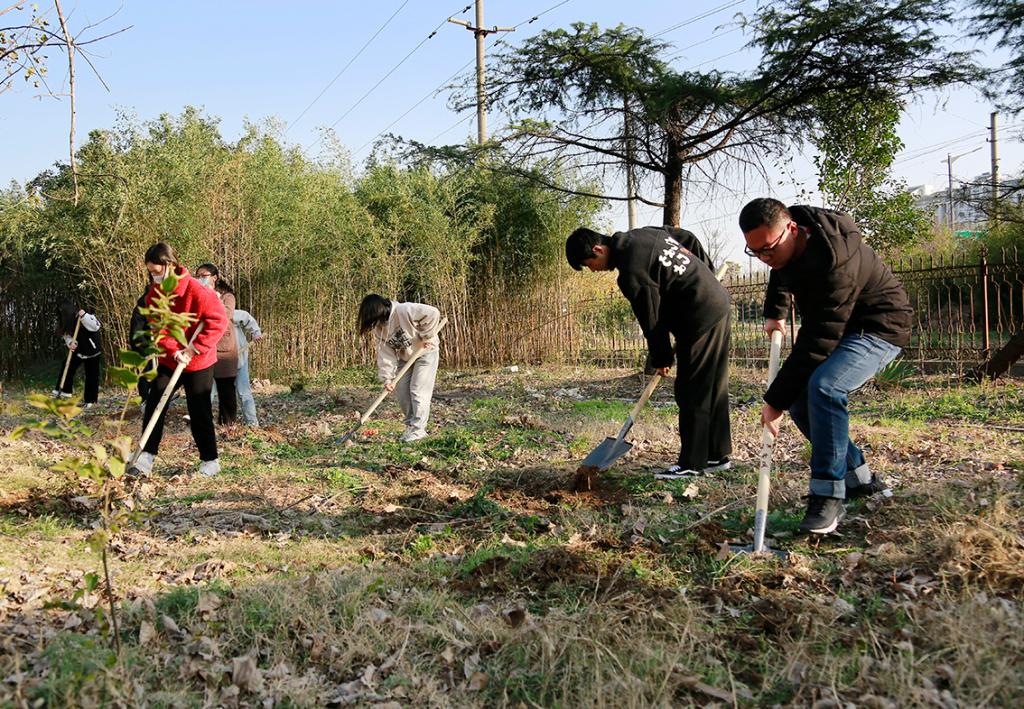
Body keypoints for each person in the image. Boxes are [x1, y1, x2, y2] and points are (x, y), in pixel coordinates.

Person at [739, 198, 912, 534]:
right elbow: (779, 269)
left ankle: (828, 496)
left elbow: (818, 340)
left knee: (826, 387)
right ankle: (858, 479)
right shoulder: (786, 244)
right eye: (754, 252)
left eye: (767, 249)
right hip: (841, 328)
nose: (763, 258)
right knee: (801, 402)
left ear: (792, 229)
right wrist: (775, 312)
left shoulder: (836, 263)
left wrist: (774, 402)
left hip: (880, 327)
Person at [565, 225, 732, 478]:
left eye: (590, 264)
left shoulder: (631, 271)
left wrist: (661, 357)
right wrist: (706, 273)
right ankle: (717, 456)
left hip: (698, 316)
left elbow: (651, 320)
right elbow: (686, 237)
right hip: (716, 303)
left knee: (691, 390)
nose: (593, 270)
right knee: (713, 385)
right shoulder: (644, 234)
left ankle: (692, 463)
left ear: (598, 249)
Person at [131, 243, 228, 478]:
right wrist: (174, 350)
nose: (154, 277)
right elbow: (157, 327)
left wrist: (194, 349)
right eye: (150, 273)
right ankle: (145, 458)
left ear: (169, 265)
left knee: (199, 409)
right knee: (155, 401)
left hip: (199, 361)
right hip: (170, 359)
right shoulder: (155, 294)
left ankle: (210, 460)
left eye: (156, 271)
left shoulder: (197, 290)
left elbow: (218, 322)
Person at [357, 294, 441, 442]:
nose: (375, 324)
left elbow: (433, 313)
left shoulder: (404, 310)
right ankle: (411, 426)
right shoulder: (379, 329)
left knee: (418, 390)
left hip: (425, 353)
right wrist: (387, 378)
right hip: (406, 358)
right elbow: (385, 354)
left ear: (379, 311)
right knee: (402, 393)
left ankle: (418, 429)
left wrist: (426, 335)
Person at [194, 263, 239, 427]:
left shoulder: (227, 296)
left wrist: (213, 297)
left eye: (204, 276)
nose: (201, 279)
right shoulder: (197, 295)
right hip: (203, 347)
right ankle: (203, 423)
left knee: (226, 388)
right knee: (201, 389)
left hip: (224, 350)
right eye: (198, 276)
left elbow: (225, 315)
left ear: (214, 278)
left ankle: (228, 424)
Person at [52, 300, 102, 407]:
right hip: (80, 351)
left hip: (93, 351)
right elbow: (66, 334)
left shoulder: (84, 316)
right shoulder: (65, 322)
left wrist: (84, 316)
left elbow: (96, 326)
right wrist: (70, 342)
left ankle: (90, 401)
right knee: (67, 365)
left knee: (92, 375)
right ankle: (64, 391)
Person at [232, 307, 263, 427]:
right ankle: (199, 420)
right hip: (217, 362)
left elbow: (246, 317)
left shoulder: (229, 314)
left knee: (243, 392)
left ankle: (252, 423)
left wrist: (256, 333)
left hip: (239, 358)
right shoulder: (207, 317)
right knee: (208, 391)